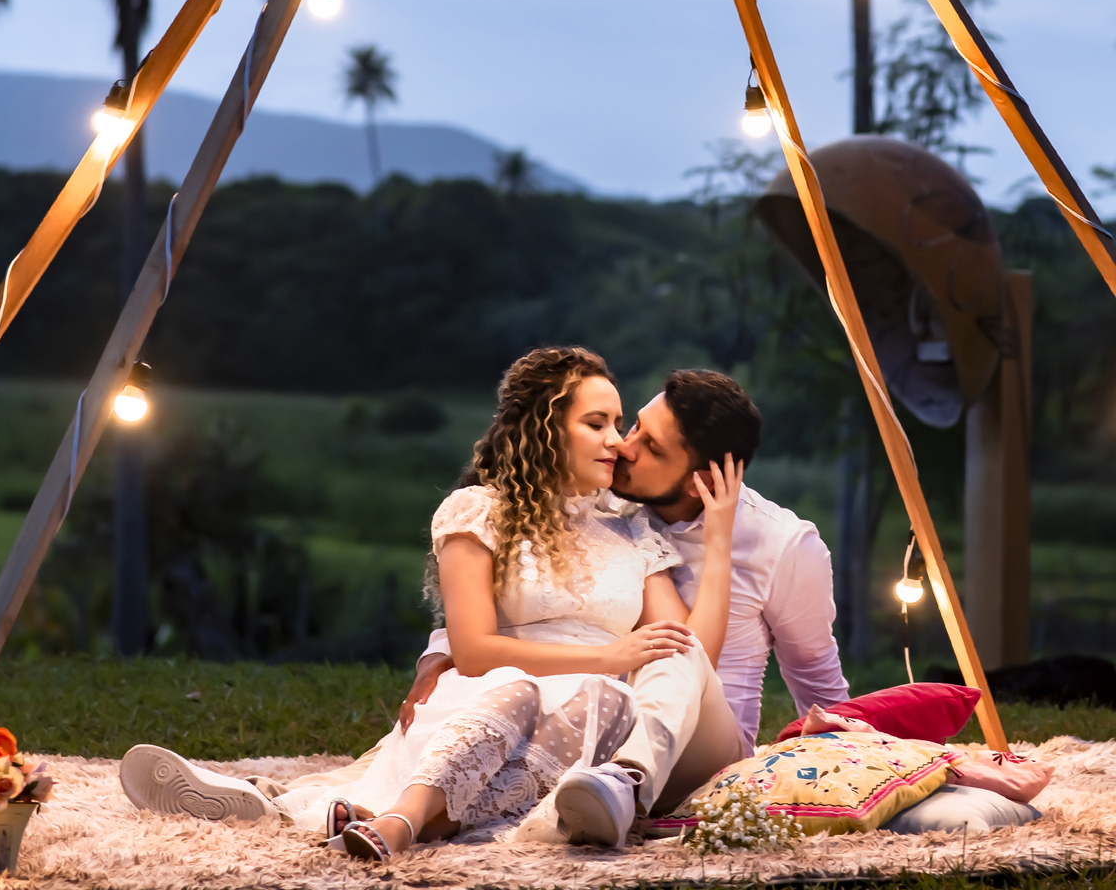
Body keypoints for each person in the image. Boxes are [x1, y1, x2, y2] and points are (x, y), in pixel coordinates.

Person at [119, 346, 745, 855]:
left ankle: (335, 809)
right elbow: (473, 649)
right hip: (514, 684)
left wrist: (719, 540)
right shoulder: (478, 512)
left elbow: (690, 656)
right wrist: (604, 657)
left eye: (619, 425)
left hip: (604, 708)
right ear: (545, 428)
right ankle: (301, 807)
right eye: (599, 424)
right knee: (501, 704)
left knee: (644, 667)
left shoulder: (629, 530)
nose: (618, 442)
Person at [409, 369, 848, 773]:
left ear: (702, 483)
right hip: (599, 714)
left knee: (675, 655)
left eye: (651, 448)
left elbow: (815, 677)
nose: (624, 447)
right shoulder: (607, 501)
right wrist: (446, 653)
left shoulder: (784, 545)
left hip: (701, 741)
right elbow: (530, 591)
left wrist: (847, 769)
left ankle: (623, 780)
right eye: (635, 426)